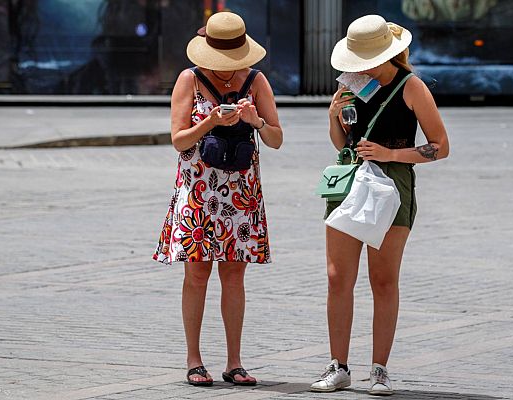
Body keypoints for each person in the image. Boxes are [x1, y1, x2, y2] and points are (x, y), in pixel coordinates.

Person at [310, 15, 449, 396]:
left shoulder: (411, 86)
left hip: (393, 184)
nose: (356, 69)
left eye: (364, 60)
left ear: (386, 55)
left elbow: (440, 145)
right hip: (351, 181)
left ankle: (379, 370)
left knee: (383, 280)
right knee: (338, 277)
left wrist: (392, 152)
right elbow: (343, 144)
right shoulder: (353, 84)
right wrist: (333, 116)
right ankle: (338, 366)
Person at [153, 11, 282, 387]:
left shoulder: (256, 81)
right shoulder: (189, 79)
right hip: (197, 191)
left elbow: (276, 139)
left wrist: (256, 120)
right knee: (196, 274)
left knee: (234, 275)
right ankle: (194, 360)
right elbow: (178, 140)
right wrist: (211, 121)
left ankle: (234, 362)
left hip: (240, 195)